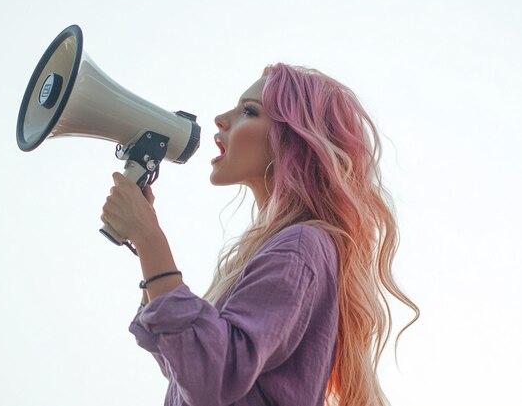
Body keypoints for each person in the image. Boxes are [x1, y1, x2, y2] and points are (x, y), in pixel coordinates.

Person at [101, 63, 419, 406]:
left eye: (249, 112)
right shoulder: (285, 248)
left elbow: (211, 376)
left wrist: (150, 240)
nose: (221, 119)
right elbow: (187, 365)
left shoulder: (300, 246)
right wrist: (144, 231)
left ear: (292, 142)